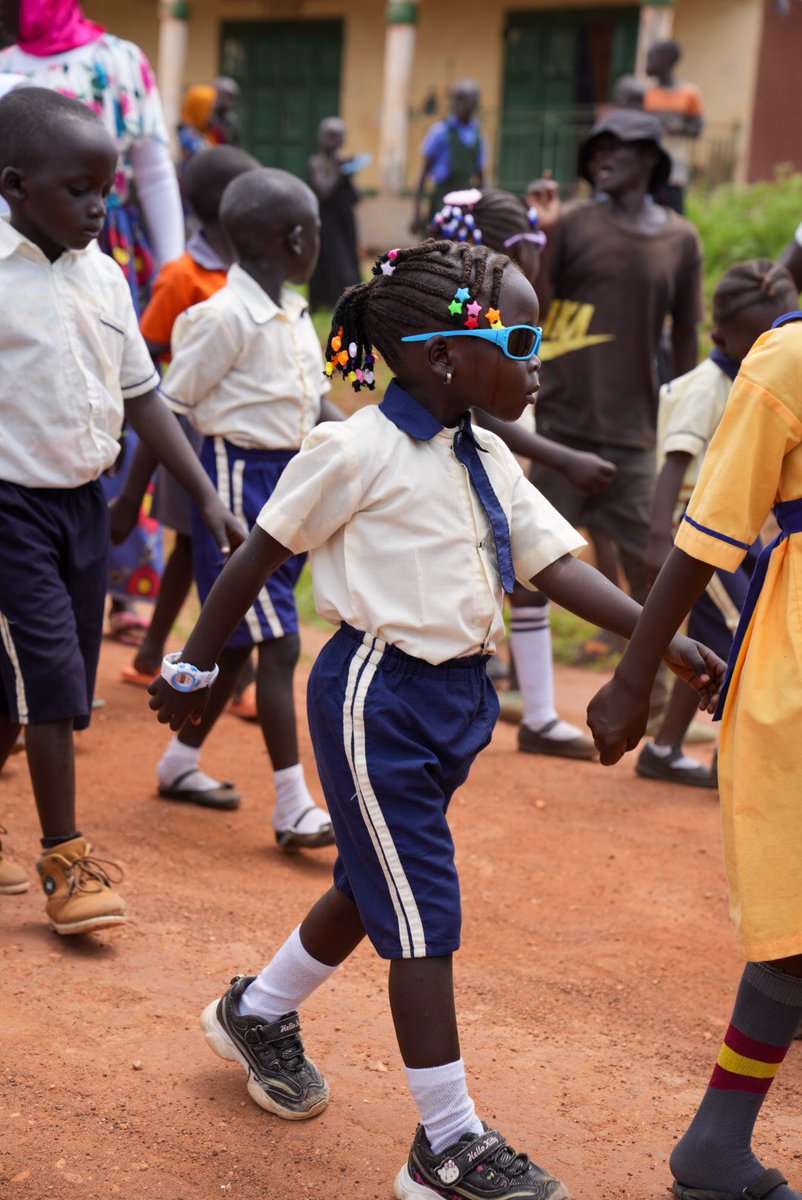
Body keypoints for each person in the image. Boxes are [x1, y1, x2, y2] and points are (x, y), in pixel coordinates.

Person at [148, 237, 721, 1200]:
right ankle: (446, 1145)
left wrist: (655, 635)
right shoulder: (353, 448)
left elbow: (554, 566)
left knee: (380, 880)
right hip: (377, 694)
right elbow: (259, 557)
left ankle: (261, 1009)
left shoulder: (486, 453)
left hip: (455, 702)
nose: (539, 364)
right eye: (523, 338)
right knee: (422, 911)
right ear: (444, 354)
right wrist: (195, 659)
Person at [0, 88, 243, 933]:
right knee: (58, 682)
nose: (101, 206)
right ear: (15, 184)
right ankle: (67, 862)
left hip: (82, 506)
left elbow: (146, 399)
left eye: (110, 188)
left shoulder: (105, 275)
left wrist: (206, 496)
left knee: (26, 692)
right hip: (8, 512)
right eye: (79, 190)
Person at [588, 297, 802, 1199]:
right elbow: (704, 533)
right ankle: (714, 1147)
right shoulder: (787, 361)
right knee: (796, 917)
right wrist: (636, 675)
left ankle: (715, 1146)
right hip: (797, 662)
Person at [150, 166, 336, 847]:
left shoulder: (291, 311)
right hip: (237, 481)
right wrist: (131, 505)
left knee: (235, 646)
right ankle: (292, 804)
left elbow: (314, 399)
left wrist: (362, 440)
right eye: (316, 232)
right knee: (279, 643)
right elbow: (166, 407)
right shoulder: (221, 317)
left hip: (290, 481)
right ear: (294, 238)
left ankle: (180, 762)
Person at [0, 0, 187, 644]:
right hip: (13, 256)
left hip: (105, 255)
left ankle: (124, 589)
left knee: (108, 402)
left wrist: (173, 269)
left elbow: (155, 168)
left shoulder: (119, 60)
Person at [431, 187, 617, 758]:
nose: (538, 257)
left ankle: (536, 713)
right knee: (489, 577)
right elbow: (482, 420)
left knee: (530, 576)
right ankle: (506, 708)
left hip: (494, 463)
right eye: (531, 243)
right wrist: (565, 458)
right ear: (502, 249)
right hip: (467, 464)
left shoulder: (492, 301)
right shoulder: (466, 322)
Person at [529, 109, 702, 676]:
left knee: (657, 575)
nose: (601, 159)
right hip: (563, 429)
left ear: (649, 160)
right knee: (525, 564)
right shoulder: (573, 223)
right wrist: (547, 235)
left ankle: (650, 701)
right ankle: (517, 686)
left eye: (616, 149)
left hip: (634, 437)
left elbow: (684, 343)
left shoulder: (680, 238)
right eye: (595, 149)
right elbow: (537, 305)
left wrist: (682, 425)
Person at [637, 260, 799, 788]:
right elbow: (676, 465)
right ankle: (725, 757)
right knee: (738, 637)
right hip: (698, 533)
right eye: (752, 340)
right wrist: (660, 537)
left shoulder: (755, 371)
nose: (763, 349)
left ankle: (666, 748)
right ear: (718, 335)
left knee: (713, 645)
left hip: (736, 530)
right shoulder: (708, 387)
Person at [109, 145, 260, 695]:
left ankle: (159, 651)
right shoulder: (182, 275)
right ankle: (221, 674)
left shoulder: (254, 271)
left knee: (205, 543)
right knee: (200, 543)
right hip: (187, 437)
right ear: (231, 209)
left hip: (241, 435)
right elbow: (146, 356)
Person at [411, 79, 485, 234]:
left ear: (475, 104)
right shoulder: (440, 132)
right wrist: (416, 213)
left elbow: (481, 178)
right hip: (441, 202)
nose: (458, 104)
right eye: (455, 99)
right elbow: (423, 176)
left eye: (463, 99)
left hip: (467, 205)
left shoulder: (478, 136)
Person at [644, 39, 704, 215]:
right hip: (649, 168)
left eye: (651, 57)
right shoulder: (647, 93)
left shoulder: (689, 94)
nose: (648, 63)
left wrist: (680, 127)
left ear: (667, 60)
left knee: (674, 217)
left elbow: (697, 129)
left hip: (675, 170)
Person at [307, 116, 361, 311]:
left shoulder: (341, 163)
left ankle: (347, 299)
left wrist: (350, 176)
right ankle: (324, 300)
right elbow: (324, 190)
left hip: (344, 220)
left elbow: (356, 197)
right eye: (330, 136)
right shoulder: (317, 162)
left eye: (338, 136)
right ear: (321, 137)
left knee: (347, 259)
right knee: (329, 260)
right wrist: (339, 172)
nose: (333, 141)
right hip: (326, 221)